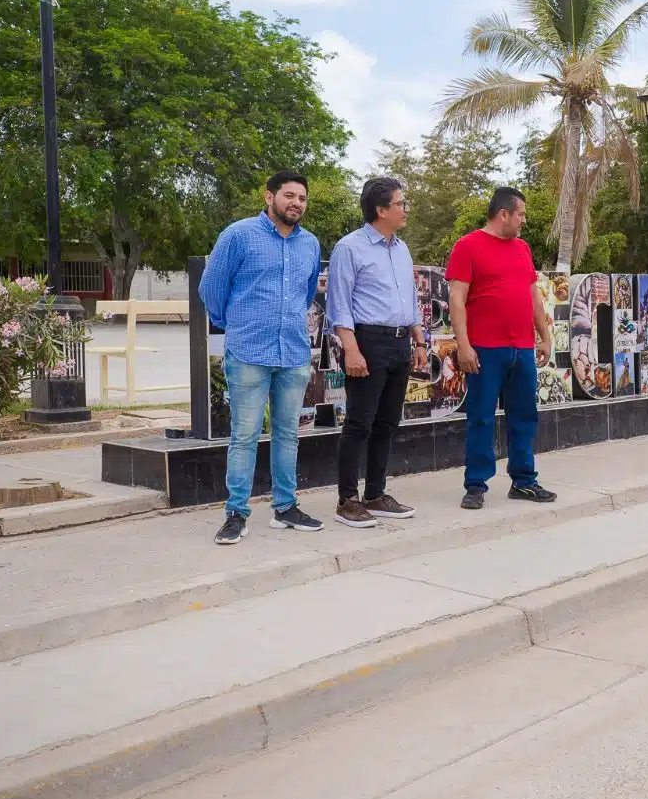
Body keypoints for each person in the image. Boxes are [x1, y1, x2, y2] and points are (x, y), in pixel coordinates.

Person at [198, 170, 325, 544]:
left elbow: (305, 295)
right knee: (244, 435)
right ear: (269, 197)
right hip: (250, 351)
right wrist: (234, 324)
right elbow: (212, 289)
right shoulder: (238, 236)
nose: (296, 203)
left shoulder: (310, 244)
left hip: (293, 352)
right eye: (288, 196)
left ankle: (285, 508)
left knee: (288, 434)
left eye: (302, 198)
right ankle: (236, 513)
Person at [325, 175, 427, 528]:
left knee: (388, 422)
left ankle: (376, 494)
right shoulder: (350, 248)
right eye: (400, 204)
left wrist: (419, 340)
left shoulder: (401, 248)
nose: (405, 209)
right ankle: (347, 500)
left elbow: (410, 300)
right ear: (381, 210)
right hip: (367, 342)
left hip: (399, 342)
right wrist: (352, 352)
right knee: (359, 423)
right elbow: (339, 307)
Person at [446, 187, 557, 510]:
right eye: (520, 214)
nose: (523, 220)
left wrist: (544, 335)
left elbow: (533, 296)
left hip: (521, 347)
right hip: (484, 348)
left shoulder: (522, 249)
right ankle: (476, 484)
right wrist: (463, 346)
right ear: (503, 214)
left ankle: (524, 481)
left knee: (524, 416)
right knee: (481, 417)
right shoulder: (467, 246)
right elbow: (457, 299)